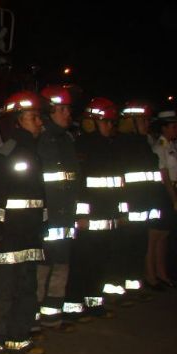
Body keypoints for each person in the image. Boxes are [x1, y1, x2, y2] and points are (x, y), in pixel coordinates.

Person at [0, 91, 46, 354]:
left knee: (26, 290)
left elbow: (38, 201)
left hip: (29, 237)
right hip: (6, 239)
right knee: (0, 292)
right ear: (17, 122)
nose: (39, 122)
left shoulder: (34, 155)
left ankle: (19, 337)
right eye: (34, 117)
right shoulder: (4, 156)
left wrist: (42, 230)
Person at [67, 98, 122, 319]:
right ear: (93, 122)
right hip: (88, 219)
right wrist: (81, 214)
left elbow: (118, 184)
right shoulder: (82, 147)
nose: (111, 127)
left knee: (100, 262)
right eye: (106, 122)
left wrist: (120, 212)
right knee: (82, 263)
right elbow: (79, 185)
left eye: (112, 123)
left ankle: (93, 302)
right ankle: (73, 306)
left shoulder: (110, 147)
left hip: (107, 216)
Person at [35, 85, 84, 330]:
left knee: (61, 264)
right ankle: (31, 318)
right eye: (63, 109)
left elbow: (75, 181)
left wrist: (77, 213)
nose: (68, 114)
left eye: (68, 109)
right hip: (46, 217)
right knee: (41, 267)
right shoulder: (40, 139)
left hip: (65, 217)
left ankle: (52, 316)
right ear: (50, 110)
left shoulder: (66, 139)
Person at [115, 102, 162, 299]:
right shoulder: (123, 146)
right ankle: (120, 289)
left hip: (144, 206)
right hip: (131, 207)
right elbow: (120, 181)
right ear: (130, 123)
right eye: (142, 120)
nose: (146, 124)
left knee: (138, 248)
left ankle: (135, 287)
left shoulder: (144, 144)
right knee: (125, 248)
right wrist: (123, 210)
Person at [151, 110, 177, 287]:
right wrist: (174, 198)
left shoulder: (172, 146)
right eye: (173, 126)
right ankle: (154, 275)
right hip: (164, 193)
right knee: (157, 236)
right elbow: (164, 176)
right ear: (164, 128)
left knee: (165, 236)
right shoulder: (159, 147)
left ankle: (163, 274)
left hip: (173, 190)